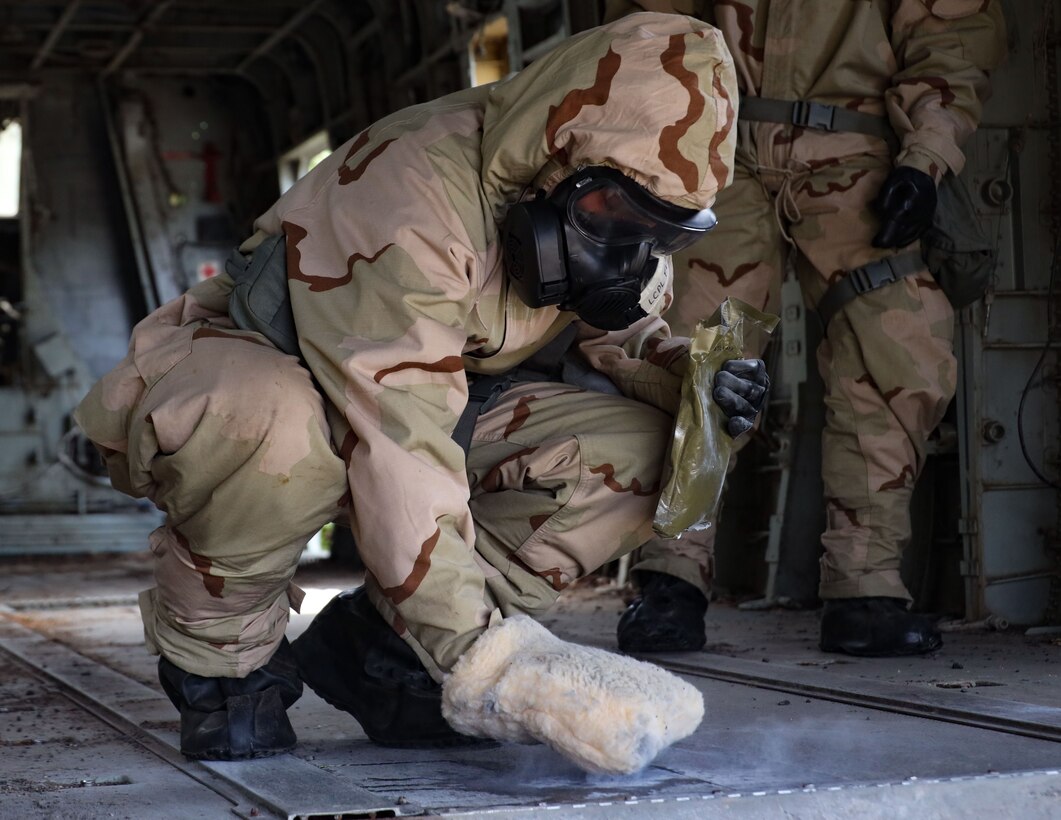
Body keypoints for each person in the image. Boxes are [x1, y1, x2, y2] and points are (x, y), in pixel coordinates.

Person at [74, 13, 768, 774]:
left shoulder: (611, 209)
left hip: (435, 405)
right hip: (260, 385)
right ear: (554, 153)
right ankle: (223, 665)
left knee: (641, 448)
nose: (630, 250)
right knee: (274, 425)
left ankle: (383, 658)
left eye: (660, 234)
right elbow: (398, 440)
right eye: (612, 217)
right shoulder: (412, 191)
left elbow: (616, 329)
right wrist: (489, 659)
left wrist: (691, 378)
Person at [604, 0, 1007, 657]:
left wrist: (924, 158)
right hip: (718, 147)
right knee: (701, 351)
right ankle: (669, 580)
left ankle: (864, 589)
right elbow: (652, 32)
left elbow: (951, 39)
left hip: (857, 155)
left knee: (894, 346)